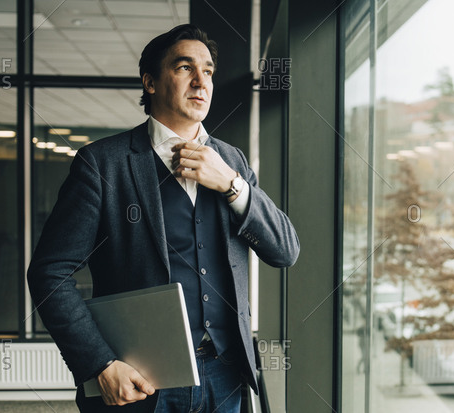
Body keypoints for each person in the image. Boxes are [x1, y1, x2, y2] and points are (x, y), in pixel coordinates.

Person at [27, 24, 299, 413]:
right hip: (141, 382)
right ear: (150, 82)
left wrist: (232, 185)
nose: (200, 81)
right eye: (184, 68)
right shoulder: (103, 163)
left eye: (207, 71)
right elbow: (49, 272)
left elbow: (285, 250)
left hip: (226, 379)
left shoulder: (233, 162)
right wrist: (100, 364)